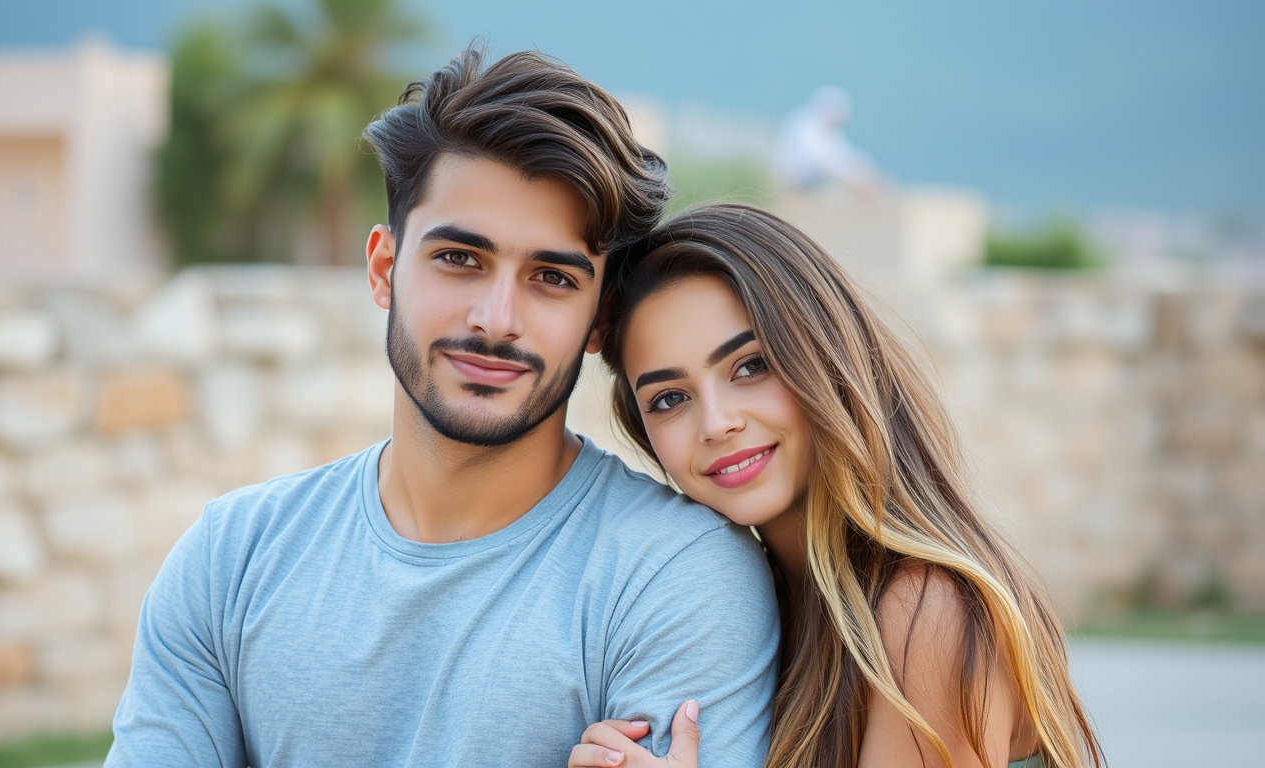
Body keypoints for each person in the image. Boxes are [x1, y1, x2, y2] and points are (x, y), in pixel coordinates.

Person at [105, 49, 780, 767]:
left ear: (600, 323)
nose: (496, 320)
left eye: (551, 277)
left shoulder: (675, 577)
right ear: (385, 269)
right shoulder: (230, 559)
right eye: (460, 259)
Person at [569, 204, 1102, 768]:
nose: (717, 422)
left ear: (824, 358)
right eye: (670, 399)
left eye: (750, 366)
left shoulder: (927, 613)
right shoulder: (757, 601)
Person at [771, 87, 880, 194]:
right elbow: (821, 159)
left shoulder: (826, 128)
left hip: (810, 179)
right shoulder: (805, 125)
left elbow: (843, 153)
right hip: (795, 179)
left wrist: (864, 168)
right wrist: (852, 176)